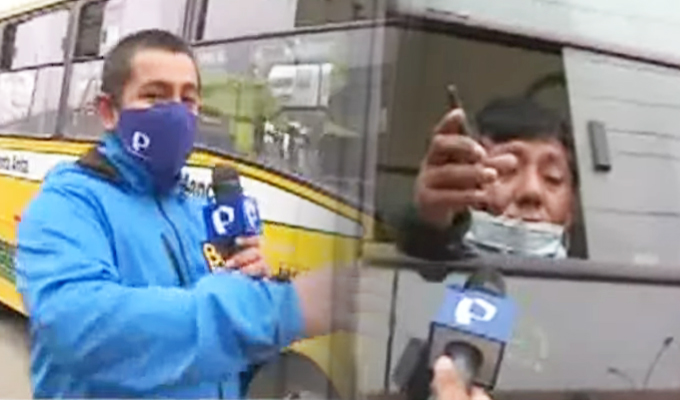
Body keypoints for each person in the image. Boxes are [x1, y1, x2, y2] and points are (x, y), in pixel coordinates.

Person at [15, 29, 355, 398]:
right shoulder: (66, 206)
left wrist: (249, 300)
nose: (176, 113)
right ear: (109, 112)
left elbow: (206, 351)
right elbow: (83, 329)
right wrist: (280, 310)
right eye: (155, 96)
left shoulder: (195, 210)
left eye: (188, 99)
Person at [397, 97, 577, 260]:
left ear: (571, 209)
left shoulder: (590, 284)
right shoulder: (438, 276)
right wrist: (430, 225)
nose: (531, 191)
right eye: (507, 171)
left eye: (552, 177)